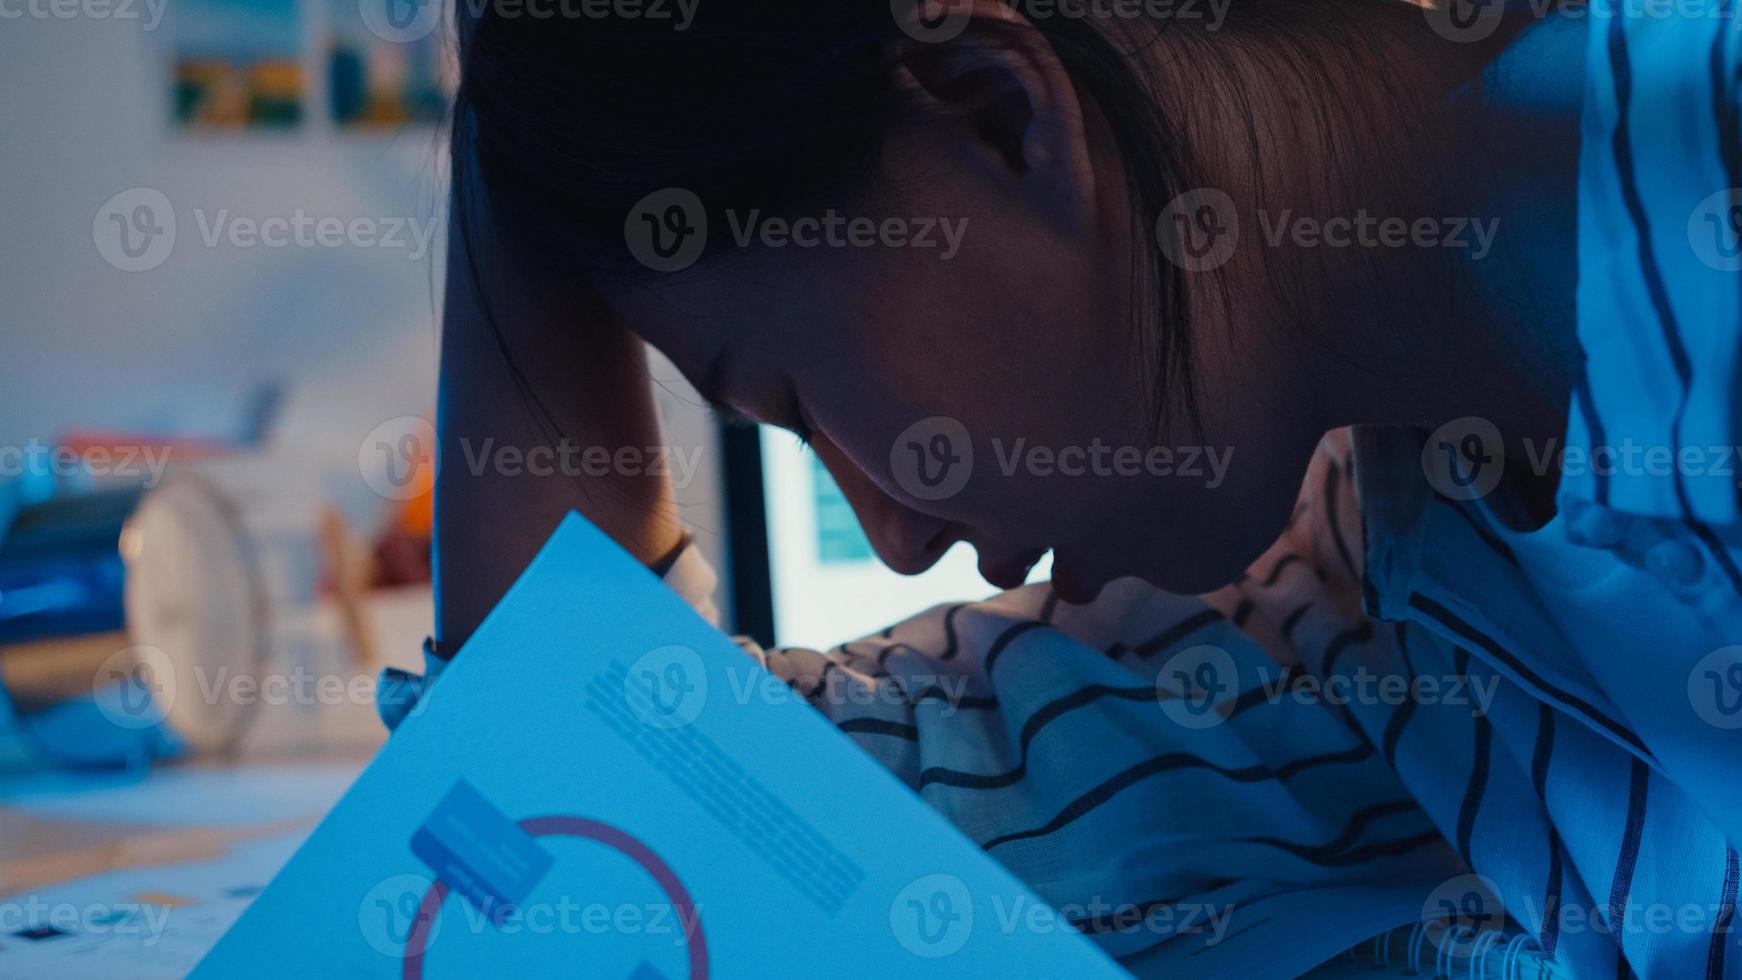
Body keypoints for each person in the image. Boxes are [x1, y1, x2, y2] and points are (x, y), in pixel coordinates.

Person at [401, 0, 1742, 973]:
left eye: (802, 407)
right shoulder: (1367, 601)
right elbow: (594, 826)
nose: (902, 533)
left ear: (998, 111)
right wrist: (513, 103)